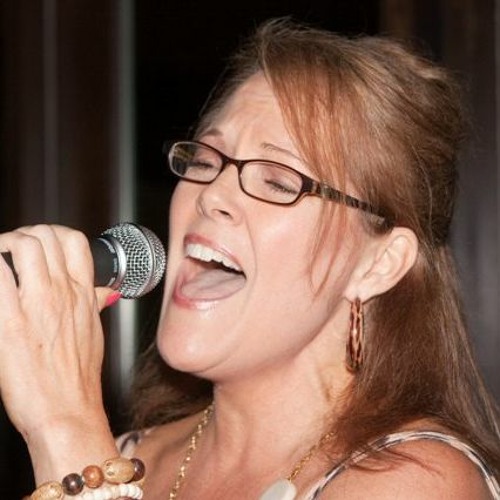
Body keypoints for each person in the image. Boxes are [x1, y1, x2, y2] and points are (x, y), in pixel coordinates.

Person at [0, 18, 499, 500]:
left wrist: (64, 425)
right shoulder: (129, 456)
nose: (211, 193)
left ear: (379, 264)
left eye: (278, 181)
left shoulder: (420, 481)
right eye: (205, 160)